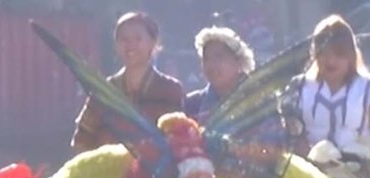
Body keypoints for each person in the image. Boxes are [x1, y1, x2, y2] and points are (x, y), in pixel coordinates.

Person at [71, 12, 184, 154]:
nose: (130, 45)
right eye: (124, 39)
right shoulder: (103, 92)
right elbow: (82, 141)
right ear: (116, 45)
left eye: (138, 38)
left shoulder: (170, 90)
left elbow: (181, 142)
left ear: (153, 42)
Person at [288, 14, 370, 154]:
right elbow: (291, 138)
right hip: (307, 171)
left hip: (361, 172)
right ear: (314, 54)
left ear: (351, 55)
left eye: (339, 54)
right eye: (324, 54)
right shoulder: (298, 87)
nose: (330, 61)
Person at [184, 26, 256, 122]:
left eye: (218, 57)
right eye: (206, 58)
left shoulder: (260, 98)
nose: (211, 64)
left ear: (238, 61)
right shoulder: (192, 104)